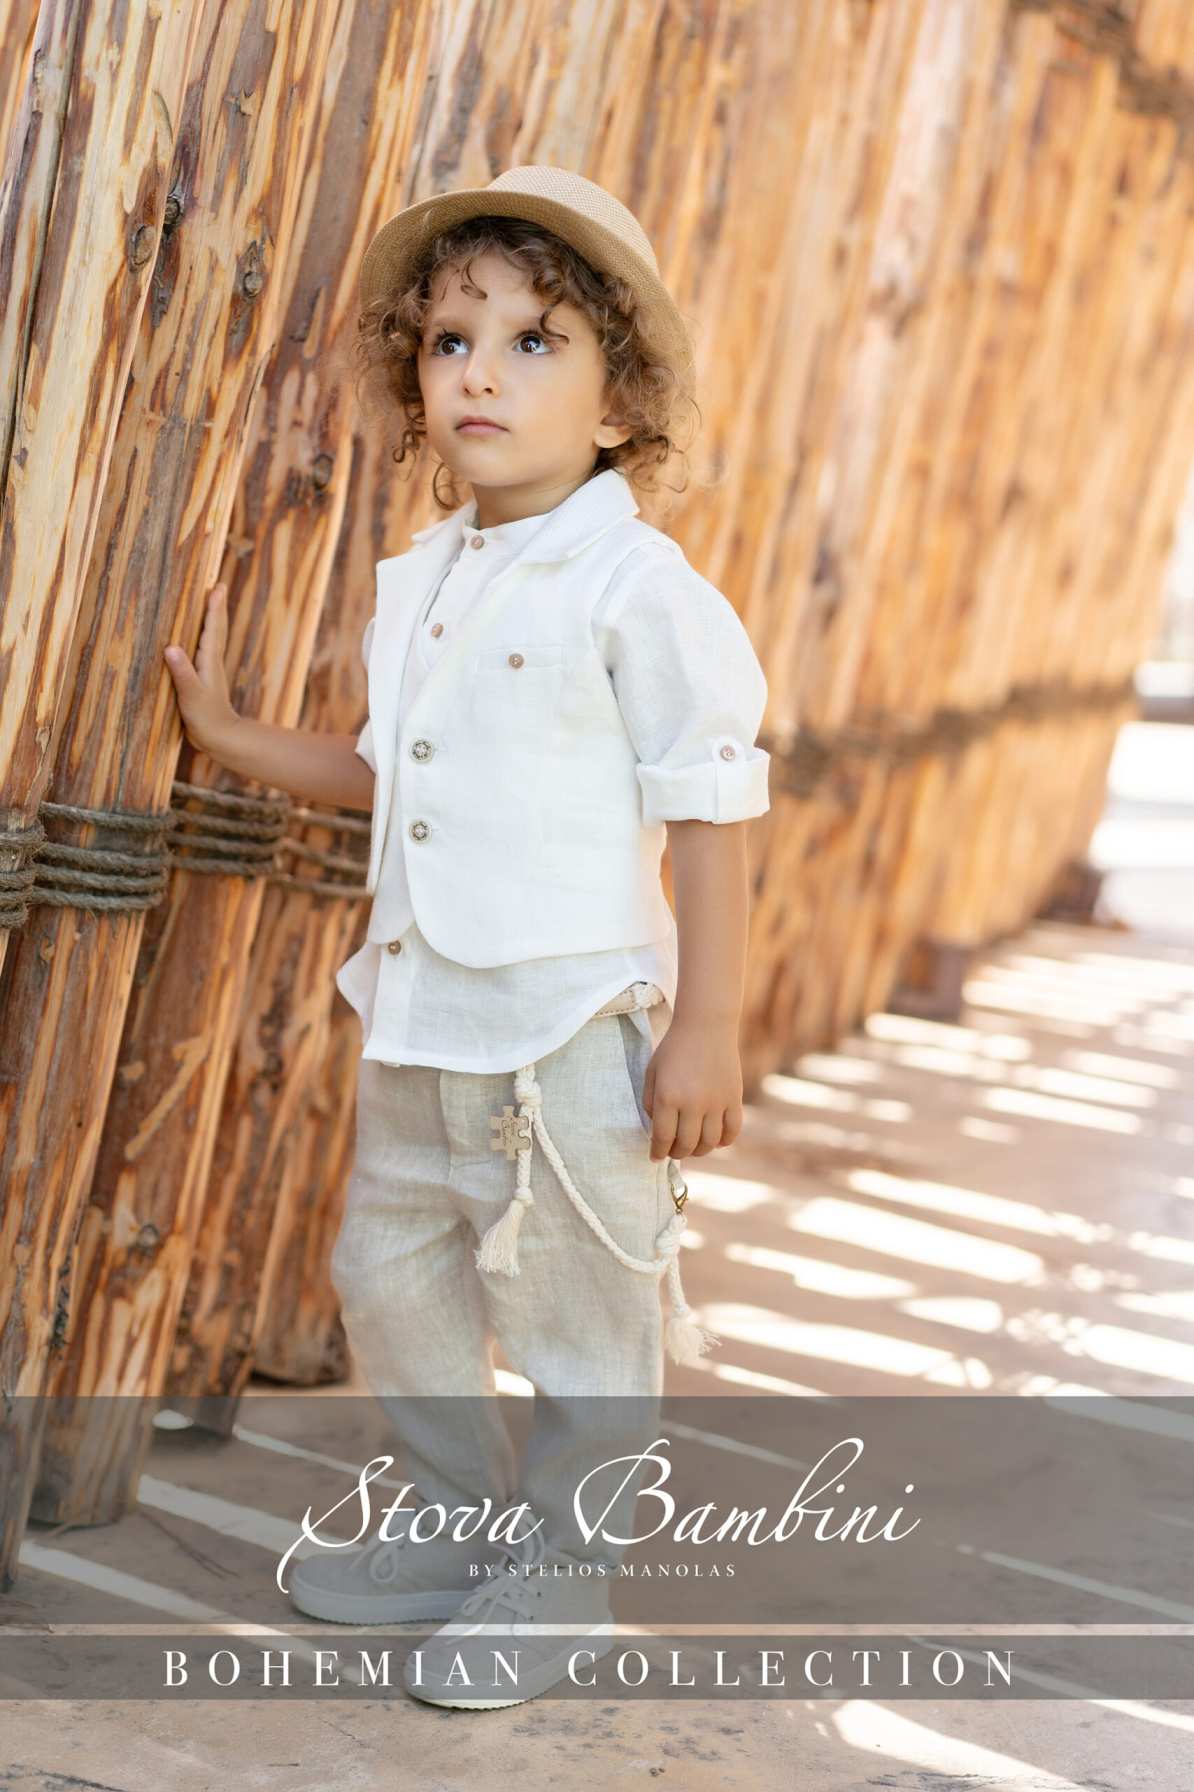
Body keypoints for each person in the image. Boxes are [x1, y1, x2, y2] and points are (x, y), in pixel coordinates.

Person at [164, 165, 771, 1710]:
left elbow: (707, 806)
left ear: (620, 399)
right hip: (421, 1006)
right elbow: (400, 771)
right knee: (391, 1274)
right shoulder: (428, 576)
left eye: (533, 341)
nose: (480, 373)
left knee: (578, 1311)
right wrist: (238, 741)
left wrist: (706, 1026)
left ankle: (564, 1573)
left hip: (566, 1025)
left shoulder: (637, 588)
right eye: (450, 341)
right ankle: (445, 1520)